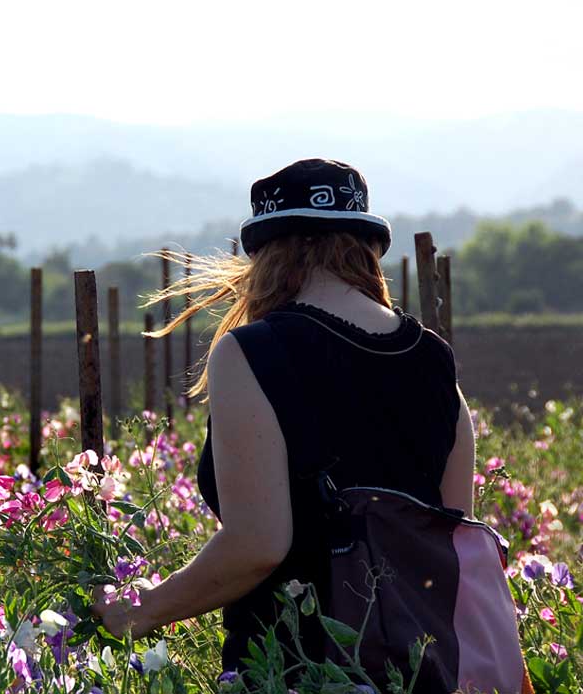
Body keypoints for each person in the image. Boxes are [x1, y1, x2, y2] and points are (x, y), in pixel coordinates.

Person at [91, 159, 477, 676]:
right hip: (417, 670)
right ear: (367, 247)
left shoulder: (253, 352)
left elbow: (260, 544)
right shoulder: (434, 360)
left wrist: (140, 613)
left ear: (268, 252)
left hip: (297, 667)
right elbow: (449, 539)